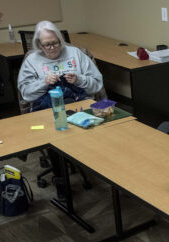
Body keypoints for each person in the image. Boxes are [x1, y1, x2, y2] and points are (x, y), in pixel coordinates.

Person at [17, 21, 103, 198]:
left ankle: (100, 169)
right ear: (39, 45)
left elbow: (97, 85)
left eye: (55, 42)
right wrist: (44, 82)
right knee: (56, 136)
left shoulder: (76, 54)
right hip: (48, 110)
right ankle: (60, 181)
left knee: (94, 128)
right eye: (47, 45)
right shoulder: (32, 61)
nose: (52, 47)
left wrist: (79, 79)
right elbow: (25, 94)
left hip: (78, 105)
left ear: (60, 40)